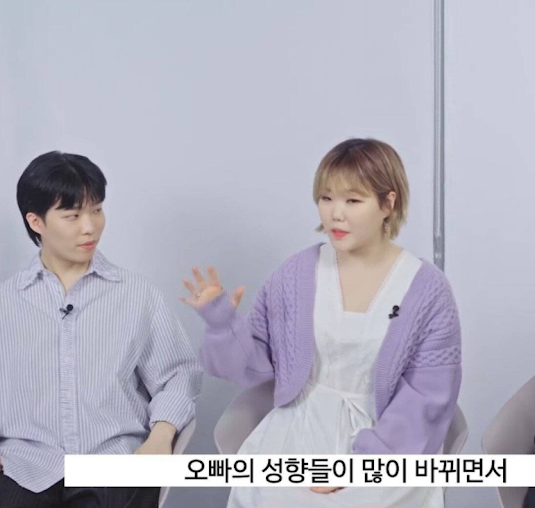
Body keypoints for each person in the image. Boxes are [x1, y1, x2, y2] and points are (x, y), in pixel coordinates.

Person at [182, 138, 462, 507]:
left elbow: (429, 397)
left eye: (352, 200)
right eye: (326, 198)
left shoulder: (427, 289)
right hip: (297, 431)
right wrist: (222, 323)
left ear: (388, 203)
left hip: (392, 444)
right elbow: (253, 367)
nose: (335, 214)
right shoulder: (297, 273)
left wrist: (361, 466)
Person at [0, 151, 202, 508]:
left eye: (97, 210)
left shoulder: (138, 296)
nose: (90, 227)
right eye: (73, 215)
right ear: (36, 221)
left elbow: (178, 375)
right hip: (23, 465)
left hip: (113, 462)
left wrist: (161, 436)